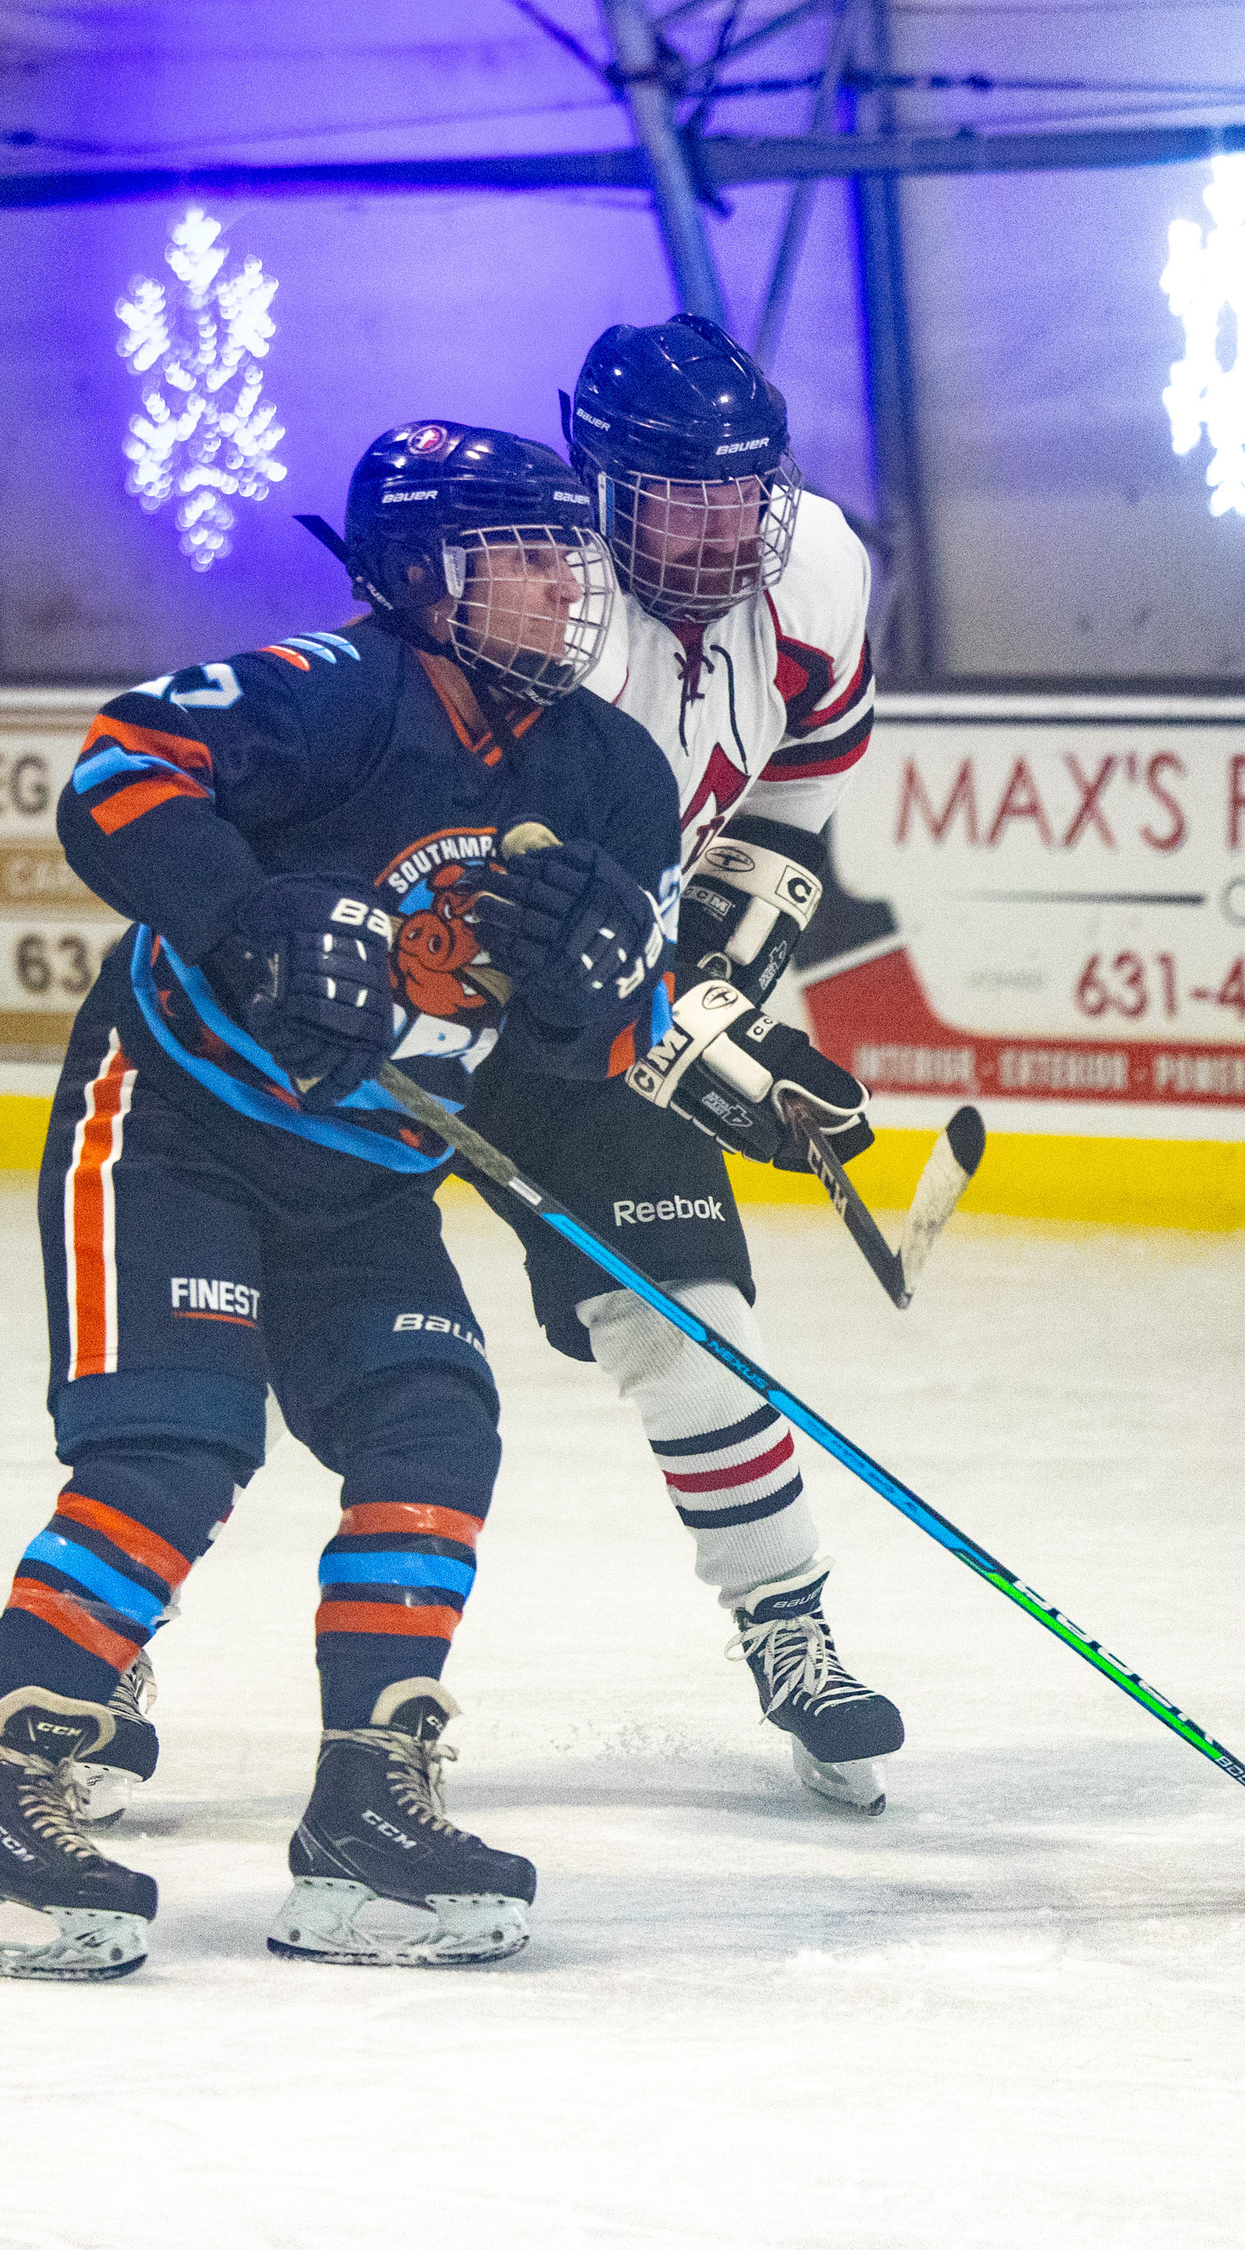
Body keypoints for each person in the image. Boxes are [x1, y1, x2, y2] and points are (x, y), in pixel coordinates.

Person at [0, 421, 681, 1981]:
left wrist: (598, 997)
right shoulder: (334, 691)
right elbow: (120, 771)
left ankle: (361, 1813)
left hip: (375, 1169)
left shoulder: (609, 770)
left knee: (434, 1424)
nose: (559, 588)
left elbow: (604, 1048)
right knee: (172, 1451)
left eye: (563, 555)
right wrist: (249, 909)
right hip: (174, 1129)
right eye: (514, 556)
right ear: (415, 578)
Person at [456, 315, 905, 1816]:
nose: (721, 527)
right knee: (267, 1330)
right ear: (598, 485)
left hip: (604, 1007)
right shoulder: (532, 605)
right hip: (413, 998)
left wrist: (720, 988)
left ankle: (790, 1627)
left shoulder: (821, 569)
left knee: (692, 1326)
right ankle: (99, 1663)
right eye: (678, 495)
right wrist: (685, 1033)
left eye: (741, 490)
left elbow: (794, 794)